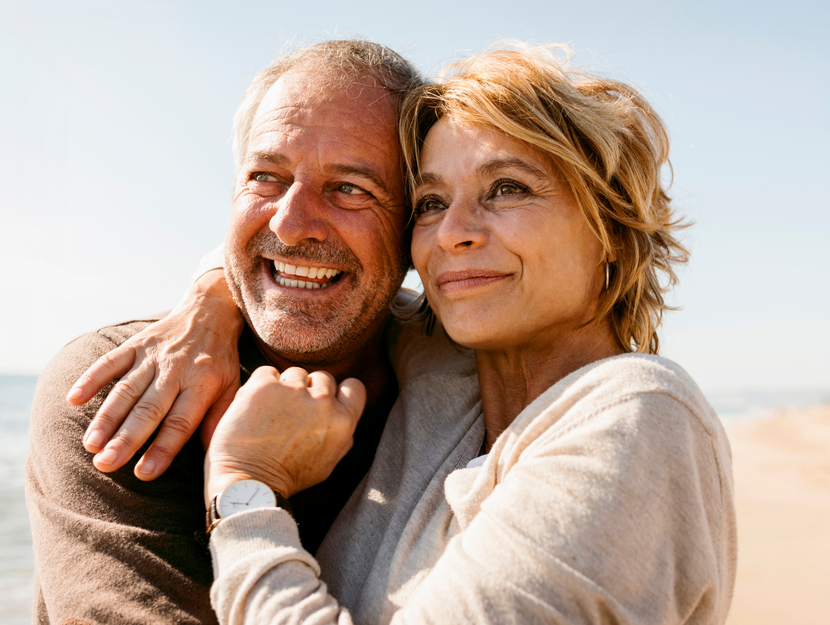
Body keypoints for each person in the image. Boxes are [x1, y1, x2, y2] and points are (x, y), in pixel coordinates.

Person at [197, 44, 736, 623]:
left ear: (612, 226)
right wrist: (205, 308)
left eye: (507, 188)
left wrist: (246, 489)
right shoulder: (439, 364)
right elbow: (302, 269)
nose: (452, 233)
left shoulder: (636, 415)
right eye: (431, 202)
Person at [24, 39, 439, 624]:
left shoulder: (473, 401)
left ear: (418, 221)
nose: (290, 225)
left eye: (350, 188)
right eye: (265, 177)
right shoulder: (124, 389)